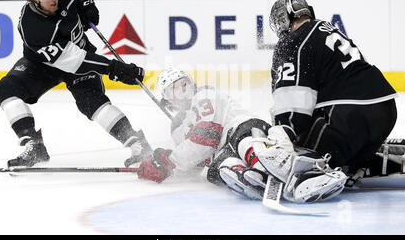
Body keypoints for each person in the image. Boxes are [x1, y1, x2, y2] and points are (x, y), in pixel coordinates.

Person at [0, 0, 150, 168]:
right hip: (43, 63)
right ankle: (34, 144)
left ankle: (138, 143)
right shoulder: (33, 27)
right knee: (6, 88)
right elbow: (76, 60)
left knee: (92, 102)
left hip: (79, 50)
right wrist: (114, 69)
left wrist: (85, 2)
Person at [131, 68, 346, 203]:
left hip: (242, 129)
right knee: (218, 169)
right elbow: (196, 161)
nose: (183, 90)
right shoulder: (177, 128)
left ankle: (278, 168)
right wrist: (161, 164)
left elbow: (207, 136)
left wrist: (170, 161)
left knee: (245, 144)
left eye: (184, 83)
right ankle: (250, 175)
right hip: (223, 151)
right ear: (168, 98)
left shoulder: (204, 94)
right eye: (174, 89)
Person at [267, 0, 398, 182]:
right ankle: (370, 161)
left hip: (350, 114)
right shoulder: (324, 29)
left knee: (295, 154)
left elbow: (294, 102)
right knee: (343, 152)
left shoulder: (294, 40)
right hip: (385, 110)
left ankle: (310, 173)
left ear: (285, 18)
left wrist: (283, 132)